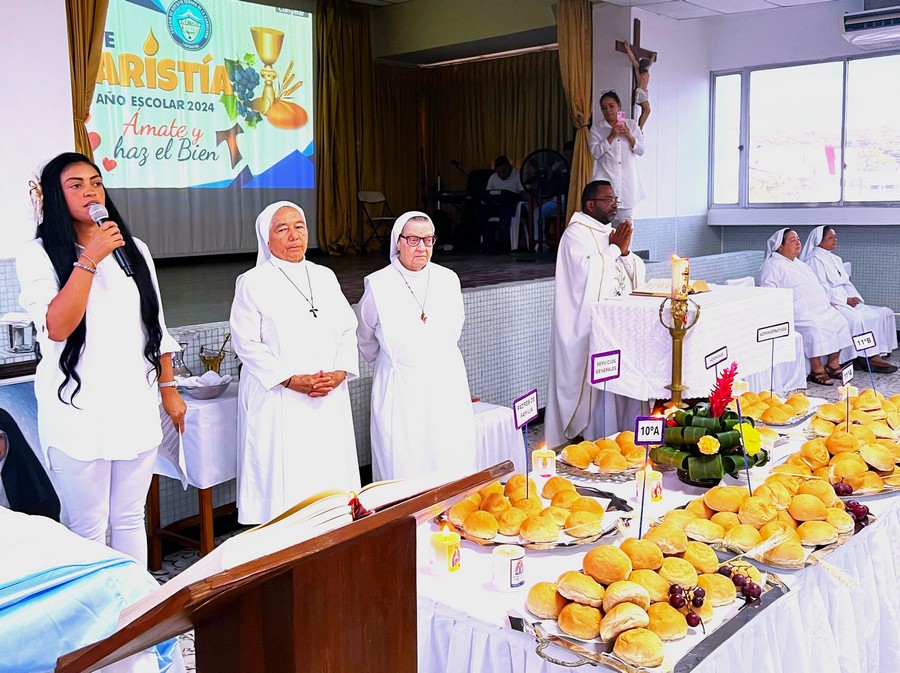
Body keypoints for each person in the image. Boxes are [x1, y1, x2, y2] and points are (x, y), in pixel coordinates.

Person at [16, 152, 185, 565]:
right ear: (55, 197)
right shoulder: (37, 254)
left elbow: (156, 323)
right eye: (76, 185)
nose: (90, 191)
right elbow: (57, 327)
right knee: (88, 525)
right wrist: (89, 257)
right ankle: (96, 621)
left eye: (95, 182)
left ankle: (138, 615)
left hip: (133, 402)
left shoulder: (134, 249)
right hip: (78, 407)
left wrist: (169, 388)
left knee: (129, 517)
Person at [230, 201, 360, 524]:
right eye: (282, 229)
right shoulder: (252, 282)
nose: (293, 236)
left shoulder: (325, 275)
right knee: (285, 493)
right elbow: (245, 343)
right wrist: (290, 378)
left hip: (327, 397)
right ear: (267, 239)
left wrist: (340, 372)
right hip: (281, 398)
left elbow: (348, 328)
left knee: (328, 485)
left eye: (299, 227)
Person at [355, 211, 477, 481]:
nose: (421, 247)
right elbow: (363, 334)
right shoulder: (379, 284)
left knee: (448, 453)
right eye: (413, 239)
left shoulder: (448, 279)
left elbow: (456, 325)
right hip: (400, 386)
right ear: (397, 242)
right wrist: (392, 363)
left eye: (428, 240)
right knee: (403, 460)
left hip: (445, 382)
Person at [545, 181, 647, 447]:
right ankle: (591, 438)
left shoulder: (608, 231)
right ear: (591, 204)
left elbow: (625, 268)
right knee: (594, 381)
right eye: (608, 199)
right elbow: (586, 274)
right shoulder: (575, 234)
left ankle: (620, 435)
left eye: (615, 198)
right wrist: (615, 249)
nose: (615, 203)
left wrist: (623, 252)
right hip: (585, 326)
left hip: (616, 324)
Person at [759, 228, 852, 386]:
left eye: (798, 240)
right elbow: (769, 293)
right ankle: (817, 370)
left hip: (819, 308)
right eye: (792, 241)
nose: (798, 243)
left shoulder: (800, 264)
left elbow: (816, 286)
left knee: (840, 321)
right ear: (780, 247)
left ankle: (833, 364)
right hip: (797, 311)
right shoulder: (772, 266)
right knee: (815, 328)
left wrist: (827, 303)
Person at [801, 226, 897, 374]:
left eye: (835, 237)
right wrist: (844, 300)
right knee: (855, 319)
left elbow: (846, 282)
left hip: (845, 297)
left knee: (872, 315)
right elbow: (822, 288)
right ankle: (863, 357)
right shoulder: (814, 260)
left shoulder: (835, 258)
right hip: (832, 301)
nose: (835, 240)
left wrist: (855, 298)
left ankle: (872, 354)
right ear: (820, 240)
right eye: (831, 238)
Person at [589, 91, 646, 221]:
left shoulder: (631, 125)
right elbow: (595, 153)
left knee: (626, 227)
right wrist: (611, 136)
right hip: (606, 184)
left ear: (618, 106)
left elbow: (641, 150)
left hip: (627, 185)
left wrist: (629, 136)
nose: (608, 110)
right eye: (604, 108)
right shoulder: (597, 128)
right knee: (605, 227)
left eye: (611, 106)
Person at [483, 155, 525, 252]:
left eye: (503, 172)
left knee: (505, 211)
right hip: (496, 204)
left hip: (514, 206)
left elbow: (524, 195)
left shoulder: (519, 175)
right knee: (481, 211)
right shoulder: (493, 178)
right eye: (498, 172)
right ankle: (486, 242)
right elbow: (488, 194)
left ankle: (503, 243)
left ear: (509, 166)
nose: (501, 175)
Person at [624, 42, 653, 131]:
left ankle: (640, 127)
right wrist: (627, 48)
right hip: (640, 91)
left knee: (647, 110)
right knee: (647, 110)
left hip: (644, 92)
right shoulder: (638, 69)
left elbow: (651, 63)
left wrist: (653, 56)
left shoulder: (646, 71)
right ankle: (640, 128)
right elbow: (632, 59)